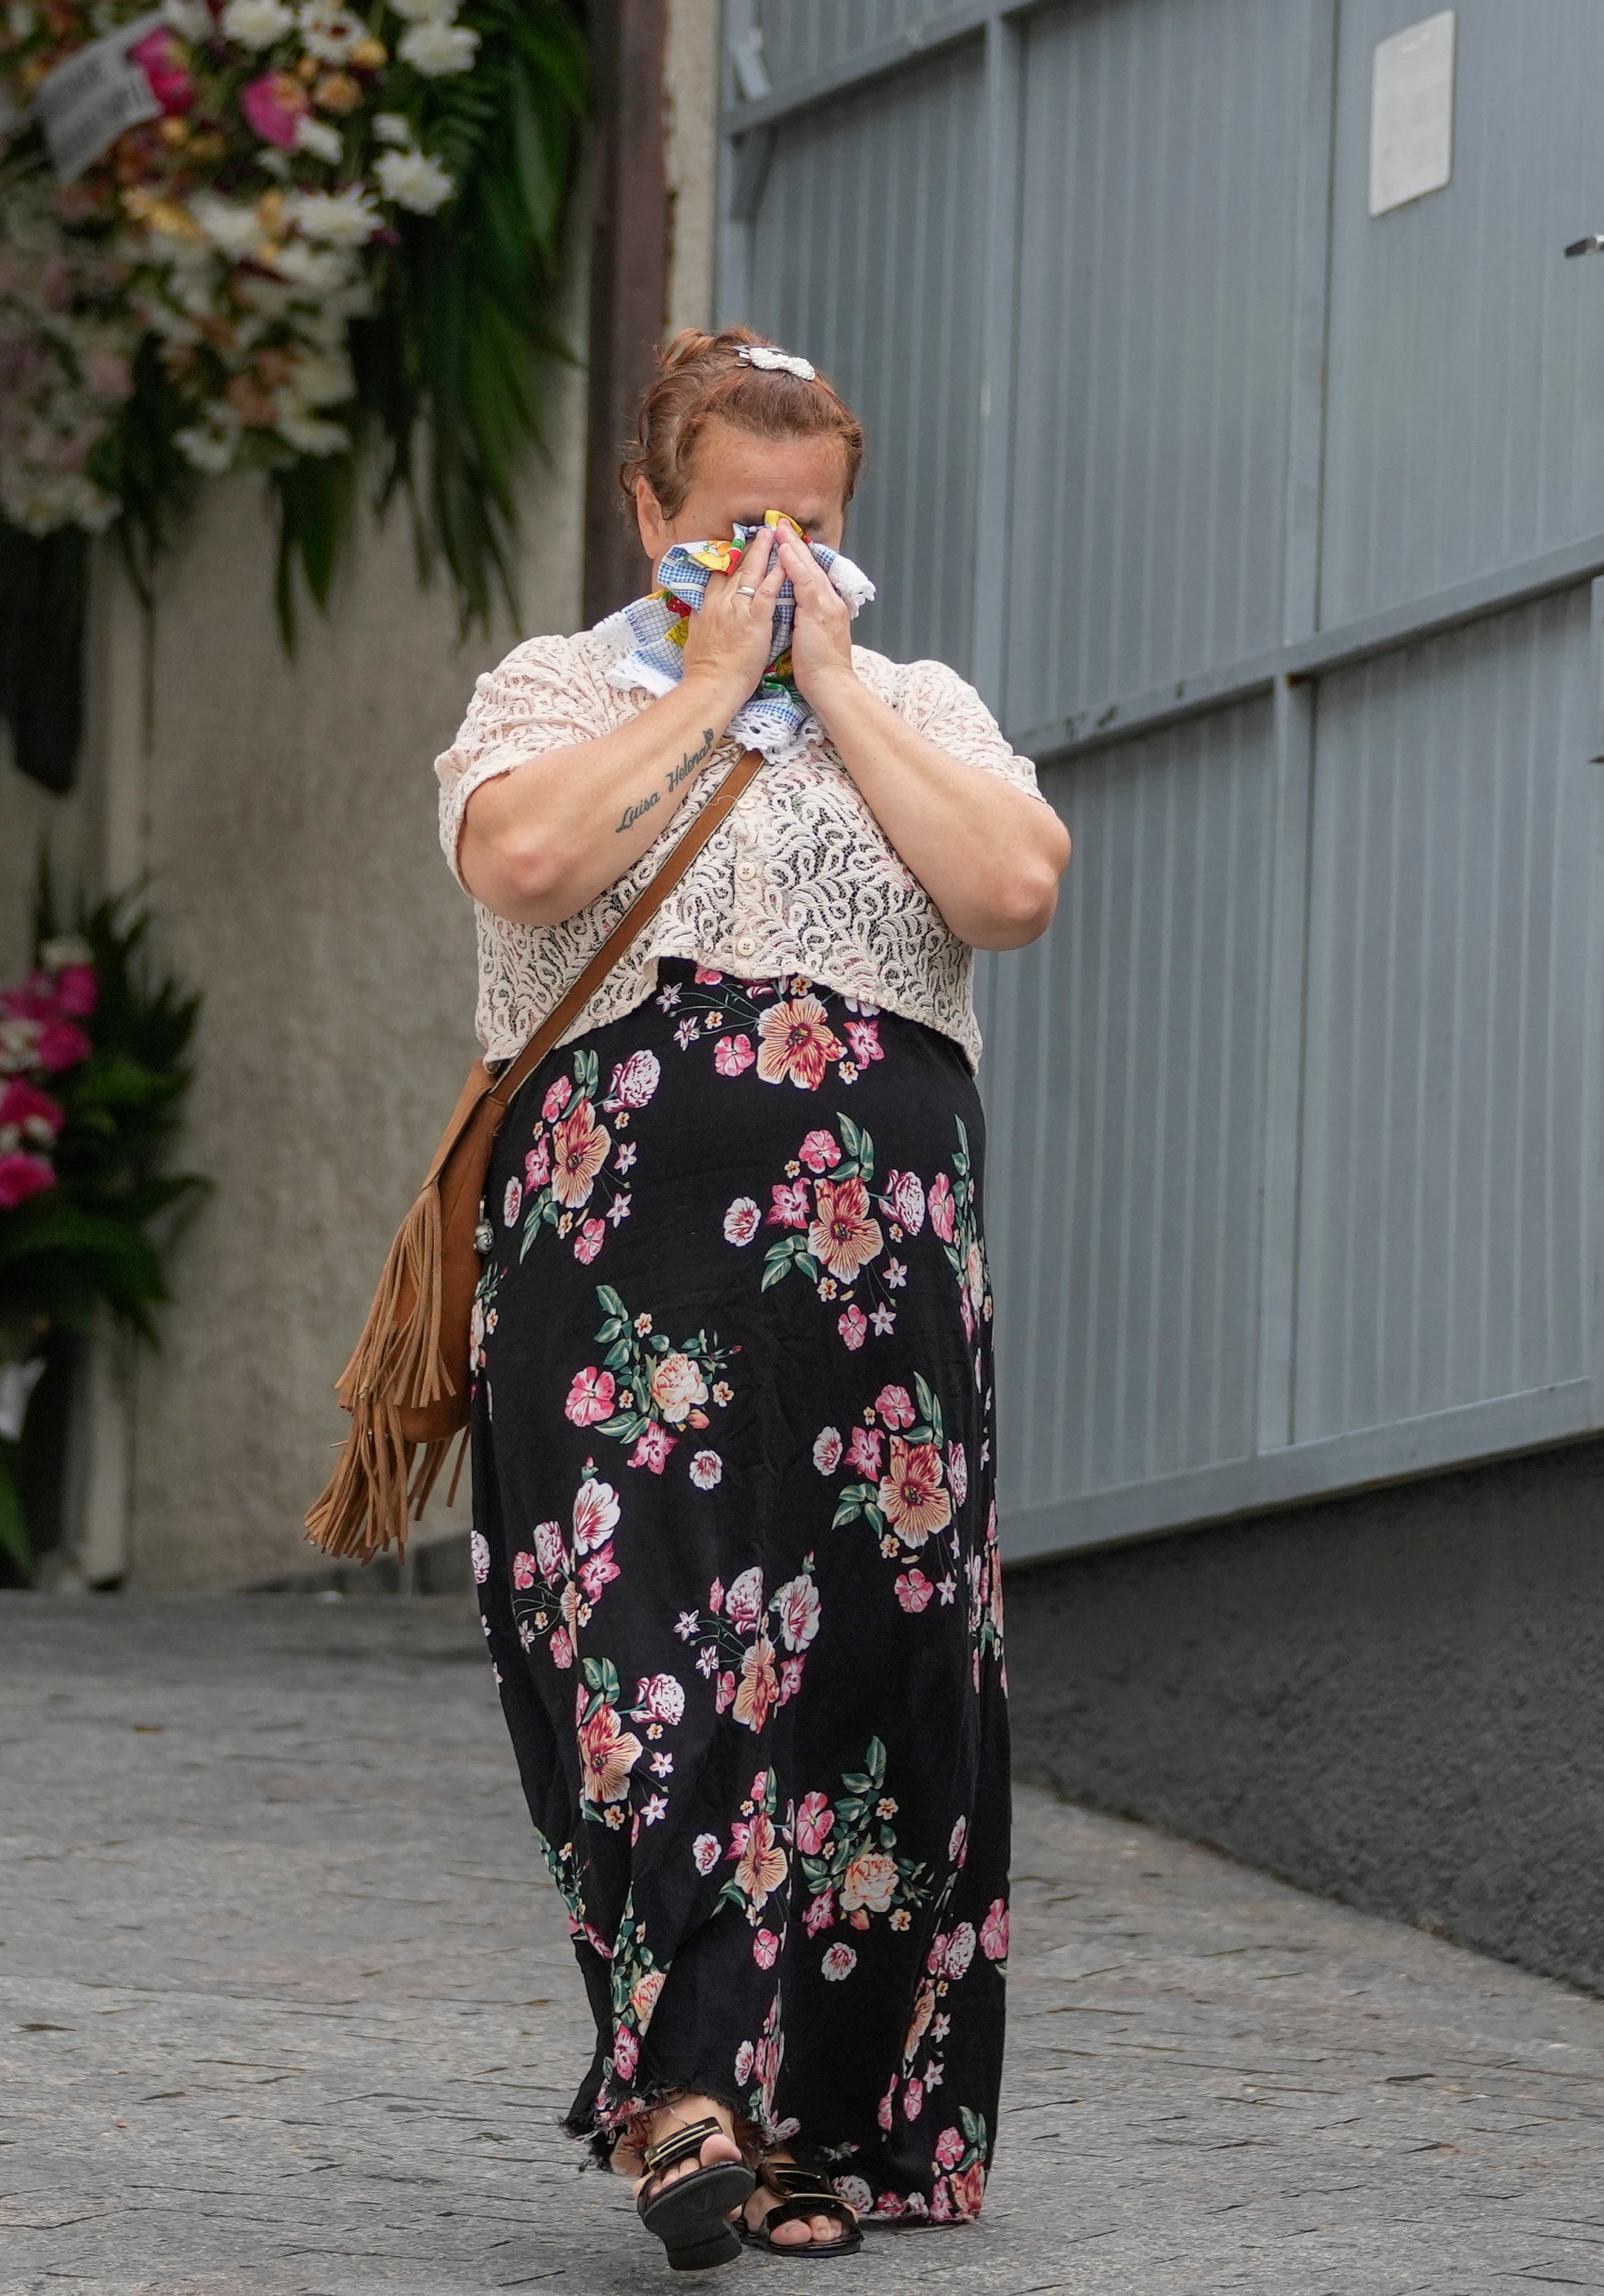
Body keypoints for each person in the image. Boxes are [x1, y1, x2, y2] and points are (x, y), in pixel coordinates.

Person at [435, 327, 1068, 2267]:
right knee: (641, 1663)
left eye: (808, 528)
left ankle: (812, 2132)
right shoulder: (553, 693)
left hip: (874, 1306)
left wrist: (828, 696)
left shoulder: (921, 702)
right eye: (731, 527)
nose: (773, 557)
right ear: (647, 515)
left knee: (869, 1688)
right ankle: (687, 2094)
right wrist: (706, 691)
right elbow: (526, 859)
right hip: (612, 1287)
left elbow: (1011, 890)